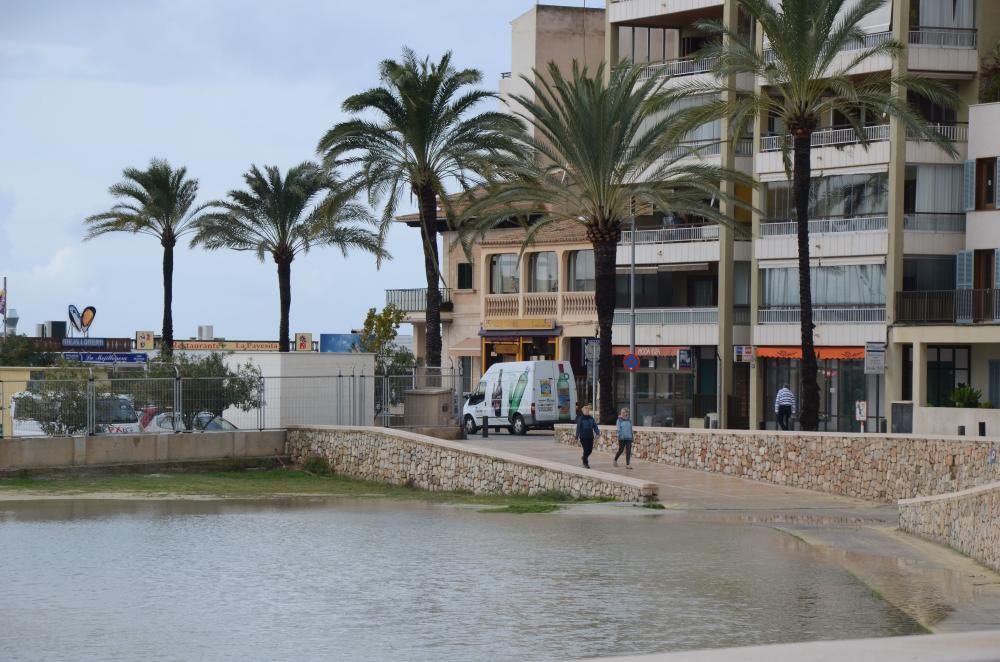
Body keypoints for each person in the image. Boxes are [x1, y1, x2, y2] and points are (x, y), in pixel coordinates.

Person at [575, 404, 600, 469]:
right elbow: (578, 428)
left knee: (590, 450)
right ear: (583, 411)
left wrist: (597, 433)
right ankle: (585, 463)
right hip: (583, 436)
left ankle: (584, 457)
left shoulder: (591, 418)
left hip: (590, 436)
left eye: (587, 410)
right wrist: (576, 436)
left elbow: (595, 426)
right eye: (585, 410)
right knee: (586, 449)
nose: (587, 411)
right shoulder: (581, 418)